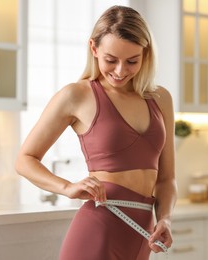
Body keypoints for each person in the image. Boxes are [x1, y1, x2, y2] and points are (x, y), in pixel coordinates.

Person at [15, 5, 177, 260]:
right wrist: (66, 187)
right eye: (111, 60)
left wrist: (165, 218)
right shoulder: (77, 95)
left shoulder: (160, 98)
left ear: (145, 55)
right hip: (98, 228)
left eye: (132, 61)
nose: (120, 71)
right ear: (94, 48)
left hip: (142, 233)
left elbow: (166, 178)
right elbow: (25, 159)